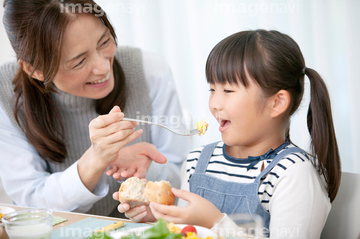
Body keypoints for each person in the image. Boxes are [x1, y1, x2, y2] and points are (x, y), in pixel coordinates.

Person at [115, 30, 341, 238]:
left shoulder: (292, 174)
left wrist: (215, 222)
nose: (215, 103)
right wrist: (159, 218)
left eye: (228, 91)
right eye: (212, 89)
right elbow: (185, 230)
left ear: (277, 102)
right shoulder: (197, 161)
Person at [0, 0, 190, 217]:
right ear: (34, 69)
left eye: (104, 42)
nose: (103, 67)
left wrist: (147, 168)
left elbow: (184, 179)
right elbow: (31, 204)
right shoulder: (5, 94)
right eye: (79, 62)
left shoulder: (150, 71)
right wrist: (95, 160)